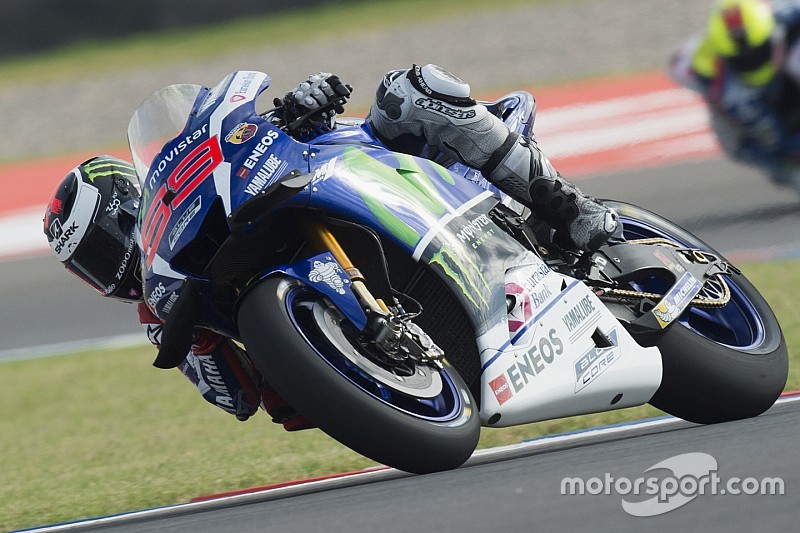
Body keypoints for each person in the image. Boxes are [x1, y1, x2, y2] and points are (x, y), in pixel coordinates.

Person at [43, 65, 619, 427]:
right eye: (89, 268)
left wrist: (299, 109)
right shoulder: (165, 306)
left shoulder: (200, 196)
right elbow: (235, 402)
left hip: (383, 173)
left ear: (133, 206)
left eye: (102, 244)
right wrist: (198, 341)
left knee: (409, 91)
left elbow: (269, 138)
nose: (108, 267)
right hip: (366, 373)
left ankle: (570, 210)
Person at [670, 0, 800, 188]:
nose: (751, 60)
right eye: (742, 58)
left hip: (788, 65)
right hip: (751, 100)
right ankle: (786, 169)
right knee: (733, 143)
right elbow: (675, 67)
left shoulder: (788, 12)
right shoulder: (696, 62)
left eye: (759, 51)